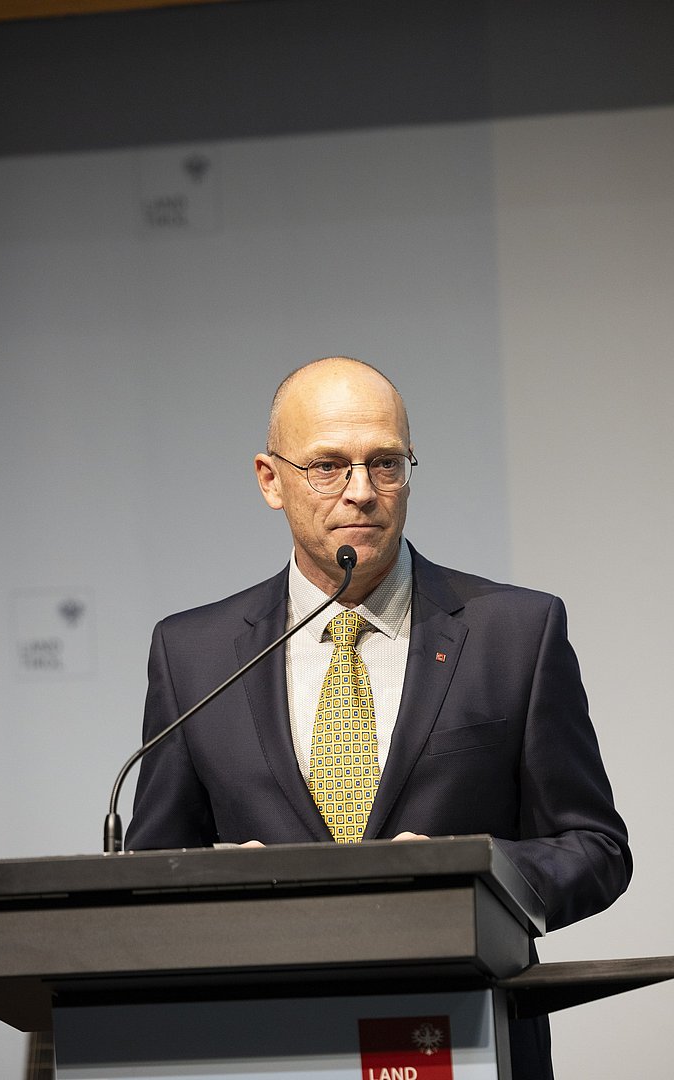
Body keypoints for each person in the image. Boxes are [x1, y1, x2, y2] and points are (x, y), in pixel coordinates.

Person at [126, 355, 632, 1080]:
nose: (361, 491)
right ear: (270, 479)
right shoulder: (194, 654)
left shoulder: (517, 633)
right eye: (328, 467)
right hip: (267, 1043)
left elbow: (595, 848)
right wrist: (214, 884)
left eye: (385, 464)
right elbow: (151, 871)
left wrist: (471, 875)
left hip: (463, 1039)